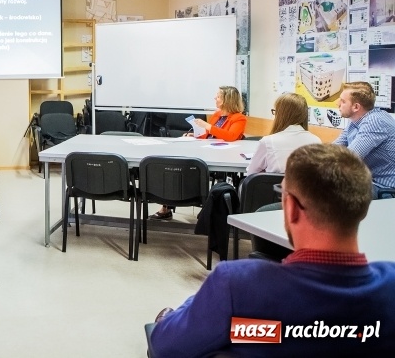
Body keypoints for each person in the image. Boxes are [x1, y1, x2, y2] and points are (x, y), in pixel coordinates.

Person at [149, 144, 395, 357]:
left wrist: (194, 306)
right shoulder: (390, 285)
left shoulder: (238, 285)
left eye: (282, 194)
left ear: (291, 208)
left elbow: (166, 346)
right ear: (363, 208)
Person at [152, 85, 247, 219]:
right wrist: (195, 135)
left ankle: (204, 206)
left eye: (218, 96)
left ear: (227, 100)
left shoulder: (239, 118)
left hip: (221, 155)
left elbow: (230, 136)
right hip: (205, 150)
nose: (215, 98)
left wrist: (208, 126)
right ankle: (166, 205)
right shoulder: (217, 115)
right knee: (174, 164)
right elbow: (208, 135)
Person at [334, 81, 395, 198]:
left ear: (356, 107)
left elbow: (349, 158)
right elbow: (334, 148)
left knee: (333, 190)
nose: (338, 104)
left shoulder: (375, 121)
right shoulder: (356, 120)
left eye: (343, 101)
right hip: (371, 182)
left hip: (385, 188)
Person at [246, 92, 321, 174]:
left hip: (274, 183)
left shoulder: (267, 142)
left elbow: (251, 173)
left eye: (275, 111)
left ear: (280, 115)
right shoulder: (316, 142)